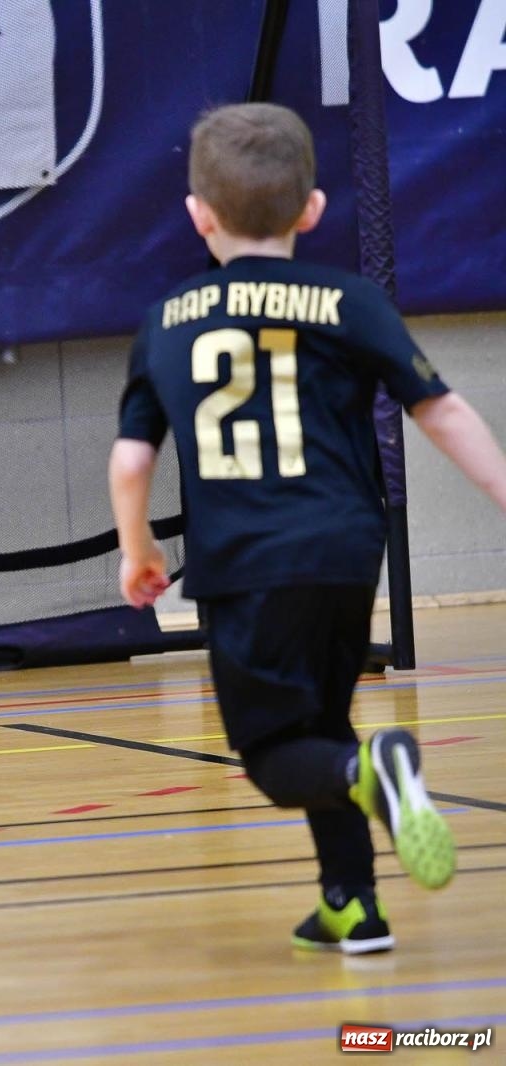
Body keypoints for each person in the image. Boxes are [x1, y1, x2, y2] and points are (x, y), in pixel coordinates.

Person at [109, 102, 506, 954]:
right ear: (313, 209)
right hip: (346, 551)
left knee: (275, 752)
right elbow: (441, 411)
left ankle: (371, 777)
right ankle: (350, 903)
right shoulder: (350, 302)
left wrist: (138, 549)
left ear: (198, 215)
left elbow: (132, 460)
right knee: (322, 720)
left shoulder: (167, 322)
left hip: (248, 565)